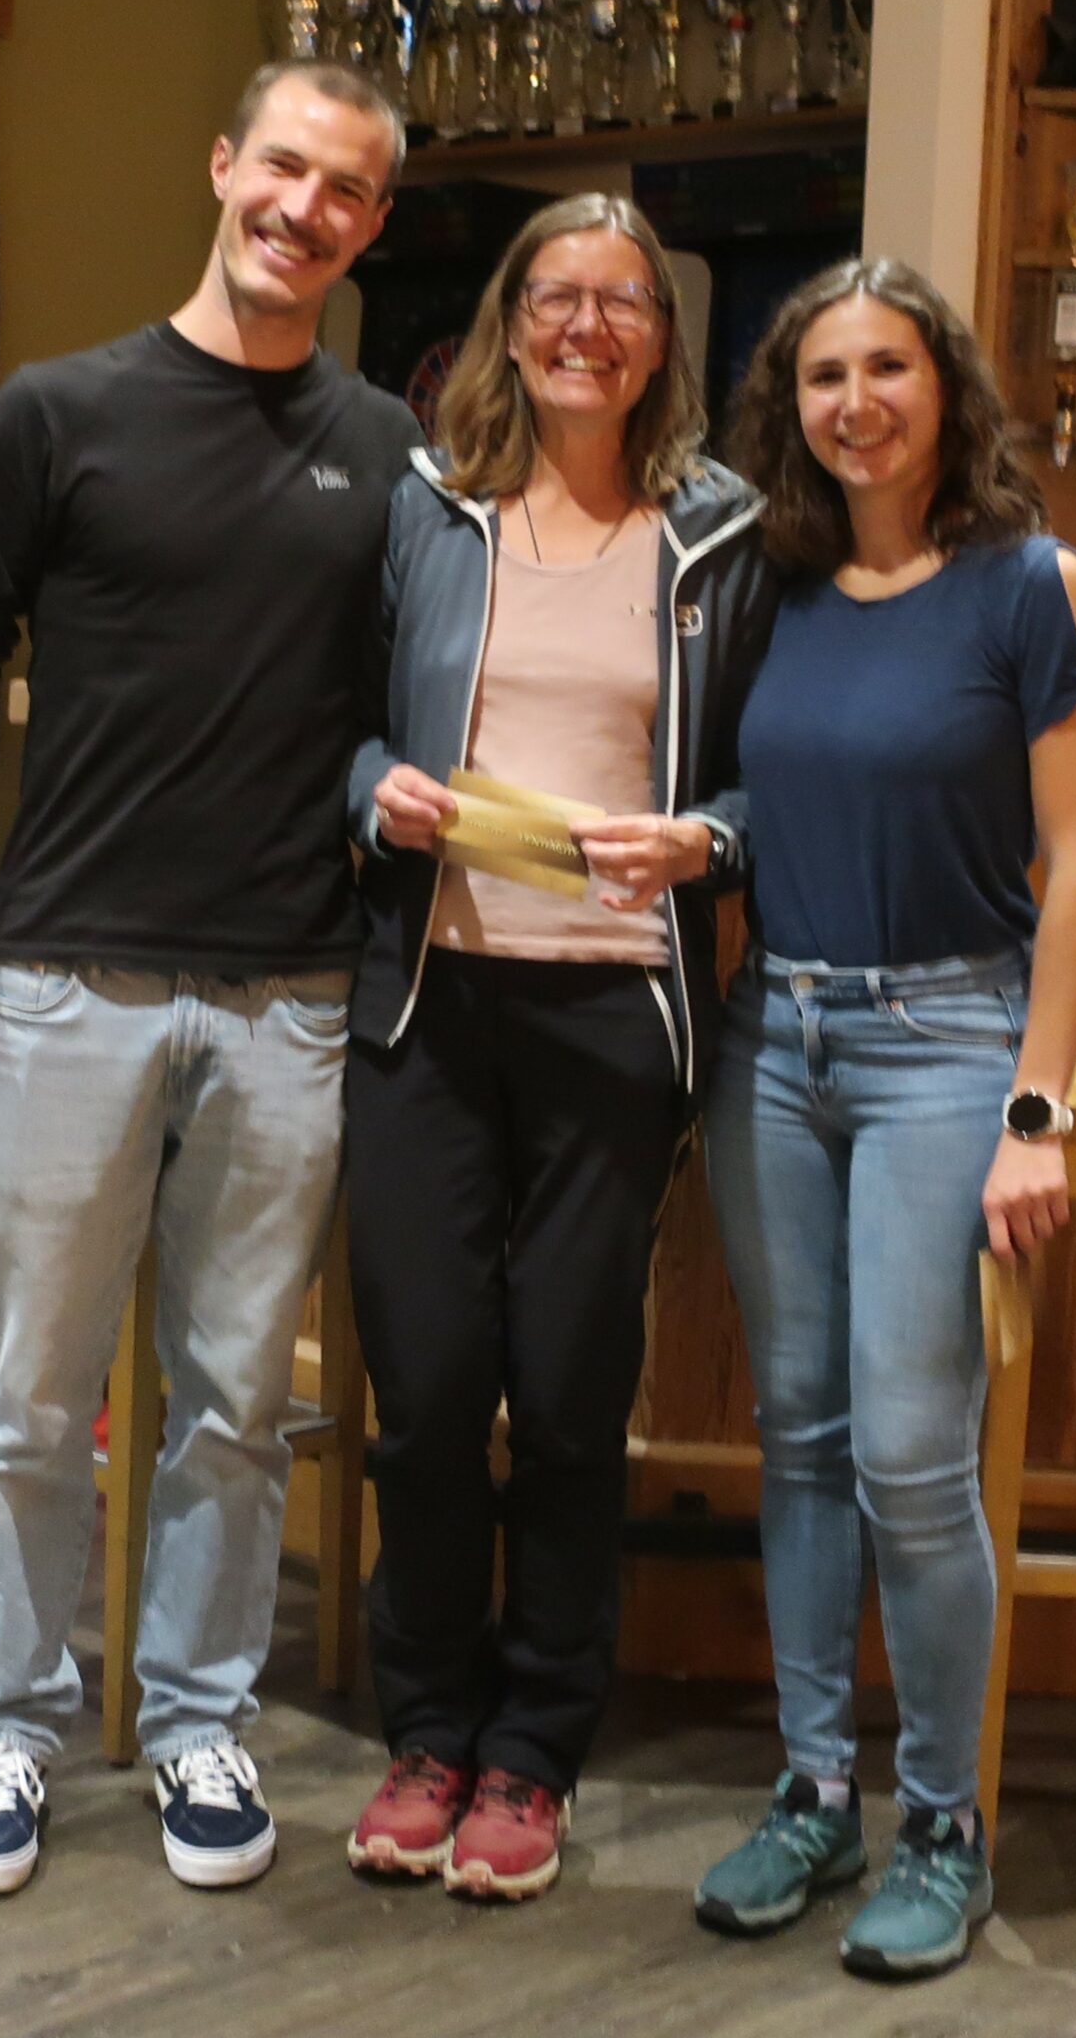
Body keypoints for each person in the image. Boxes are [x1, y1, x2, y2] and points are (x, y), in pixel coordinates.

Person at [0, 61, 419, 1896]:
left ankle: (199, 1721)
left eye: (344, 190)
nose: (303, 210)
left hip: (292, 998)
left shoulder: (389, 456)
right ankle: (9, 1726)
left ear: (372, 225)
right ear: (221, 166)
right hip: (67, 983)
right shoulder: (61, 410)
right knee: (33, 1395)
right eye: (283, 166)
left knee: (234, 1404)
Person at [693, 256, 1076, 1977]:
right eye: (822, 375)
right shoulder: (772, 584)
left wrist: (1037, 1106)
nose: (854, 402)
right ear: (786, 404)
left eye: (886, 367)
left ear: (945, 386)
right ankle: (815, 1792)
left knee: (905, 1456)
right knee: (794, 1436)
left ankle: (944, 1825)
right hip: (770, 1038)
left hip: (947, 1043)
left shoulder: (1034, 586)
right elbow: (738, 792)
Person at [341, 192, 775, 1901]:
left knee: (573, 1398)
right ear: (508, 323)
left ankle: (531, 1753)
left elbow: (774, 778)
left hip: (614, 1015)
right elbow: (338, 722)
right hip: (426, 1008)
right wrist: (370, 793)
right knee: (430, 1388)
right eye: (554, 295)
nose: (585, 325)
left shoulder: (723, 537)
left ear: (662, 338)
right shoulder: (425, 509)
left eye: (621, 300)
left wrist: (705, 841)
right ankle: (426, 1732)